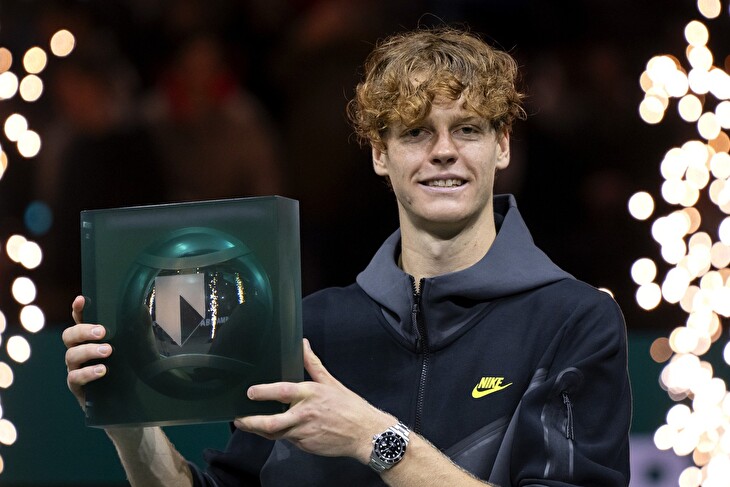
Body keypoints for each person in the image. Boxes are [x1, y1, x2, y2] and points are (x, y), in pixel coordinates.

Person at [63, 27, 632, 486]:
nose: (443, 152)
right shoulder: (309, 328)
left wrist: (374, 440)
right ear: (380, 153)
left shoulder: (574, 322)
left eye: (467, 129)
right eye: (415, 133)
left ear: (502, 145)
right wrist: (127, 418)